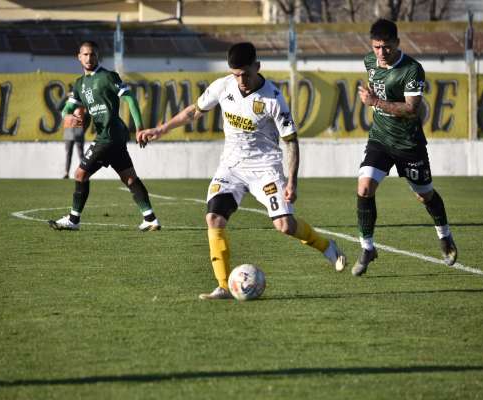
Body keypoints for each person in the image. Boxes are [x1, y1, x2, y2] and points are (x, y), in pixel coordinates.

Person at [138, 42, 346, 300]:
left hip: (265, 169)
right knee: (214, 218)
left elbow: (290, 140)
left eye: (245, 73)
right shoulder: (223, 86)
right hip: (231, 166)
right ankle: (224, 286)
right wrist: (160, 130)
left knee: (284, 225)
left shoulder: (273, 99)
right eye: (236, 74)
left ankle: (327, 246)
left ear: (257, 67)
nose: (241, 80)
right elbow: (195, 111)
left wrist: (292, 180)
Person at [354, 19, 457, 276]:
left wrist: (374, 101)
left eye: (387, 47)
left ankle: (444, 235)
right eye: (377, 47)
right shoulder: (369, 61)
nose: (381, 52)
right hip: (380, 139)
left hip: (409, 143)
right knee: (365, 187)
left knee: (425, 195)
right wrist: (375, 100)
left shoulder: (412, 69)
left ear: (398, 43)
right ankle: (367, 247)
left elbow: (411, 109)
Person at [49, 40, 160, 232]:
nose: (89, 58)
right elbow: (67, 107)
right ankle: (150, 219)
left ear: (97, 56)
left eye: (92, 54)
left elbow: (130, 99)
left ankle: (74, 220)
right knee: (129, 178)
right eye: (85, 54)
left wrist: (140, 128)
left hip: (108, 136)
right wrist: (67, 115)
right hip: (112, 138)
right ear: (79, 57)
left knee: (80, 174)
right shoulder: (79, 84)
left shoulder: (108, 76)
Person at [61, 96, 90, 179]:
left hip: (78, 132)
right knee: (68, 154)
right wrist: (65, 97)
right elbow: (58, 107)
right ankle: (66, 172)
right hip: (68, 132)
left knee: (81, 154)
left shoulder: (82, 105)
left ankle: (83, 172)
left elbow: (88, 117)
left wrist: (83, 129)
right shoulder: (68, 104)